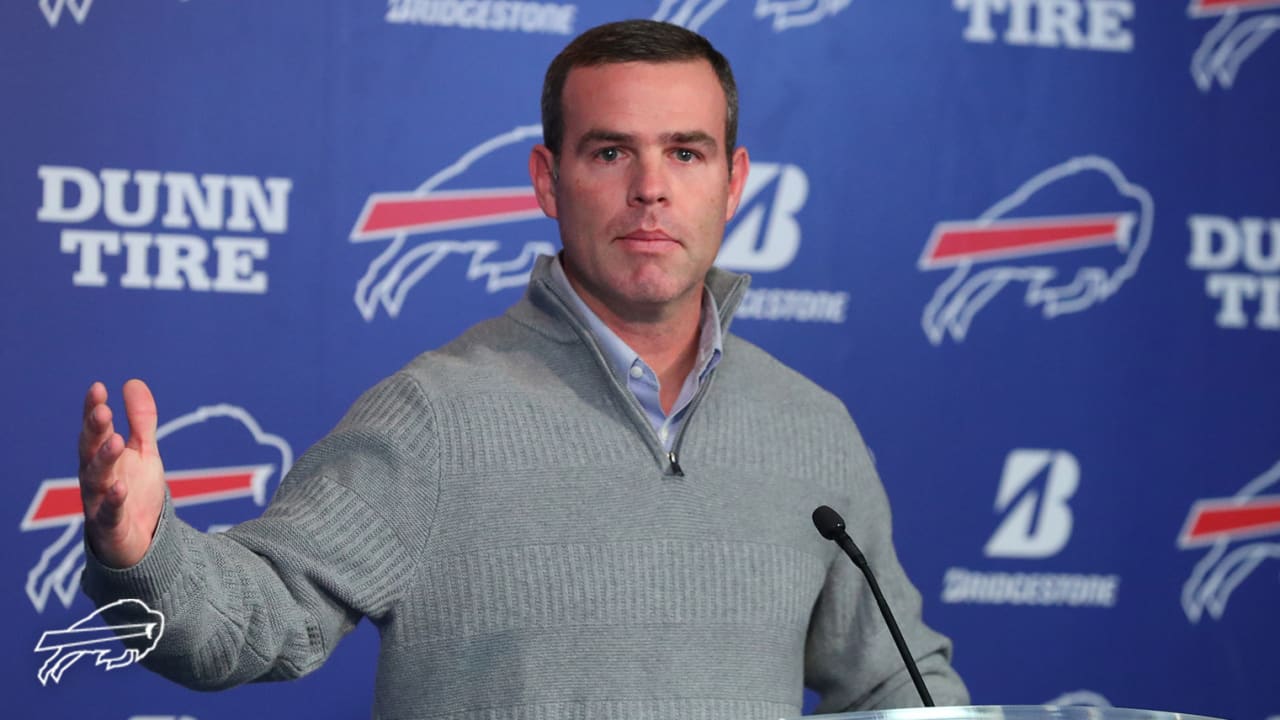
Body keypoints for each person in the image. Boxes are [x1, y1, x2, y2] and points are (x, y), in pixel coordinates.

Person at [77, 19, 968, 719]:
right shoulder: (433, 413)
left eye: (685, 152)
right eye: (611, 151)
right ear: (548, 180)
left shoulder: (811, 429)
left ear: (733, 182)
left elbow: (901, 688)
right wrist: (144, 550)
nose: (650, 187)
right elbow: (262, 621)